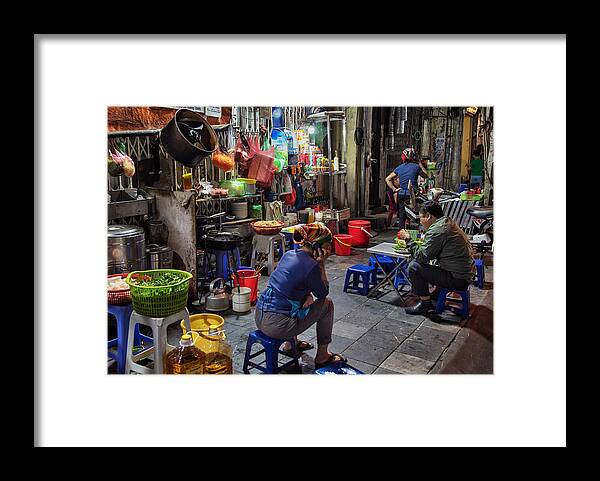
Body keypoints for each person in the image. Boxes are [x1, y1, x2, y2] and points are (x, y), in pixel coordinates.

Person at [254, 222, 346, 368]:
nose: (329, 249)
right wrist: (322, 264)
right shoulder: (312, 266)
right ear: (317, 246)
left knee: (300, 296)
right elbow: (322, 293)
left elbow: (294, 285)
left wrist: (307, 296)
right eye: (328, 246)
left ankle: (291, 344)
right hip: (277, 327)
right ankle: (322, 355)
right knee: (327, 304)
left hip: (260, 316)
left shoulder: (289, 254)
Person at [398, 201, 475, 315]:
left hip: (458, 279)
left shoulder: (438, 230)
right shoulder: (447, 222)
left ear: (428, 216)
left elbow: (421, 256)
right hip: (465, 273)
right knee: (433, 262)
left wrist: (408, 239)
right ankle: (436, 294)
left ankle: (425, 305)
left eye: (421, 218)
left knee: (414, 266)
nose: (420, 222)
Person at [385, 147, 428, 229]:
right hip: (412, 195)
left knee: (402, 215)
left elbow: (387, 179)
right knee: (415, 215)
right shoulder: (416, 167)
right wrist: (420, 163)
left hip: (401, 194)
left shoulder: (399, 168)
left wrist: (394, 189)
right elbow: (426, 175)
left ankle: (401, 234)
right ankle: (415, 233)